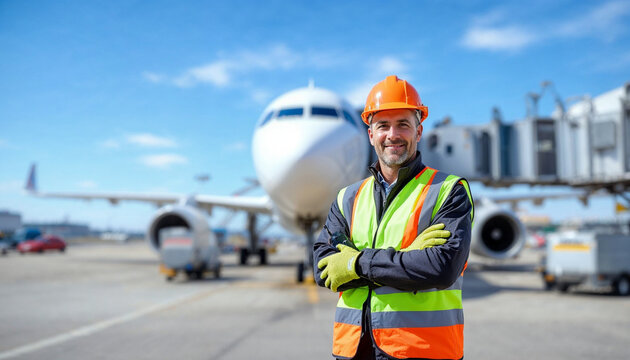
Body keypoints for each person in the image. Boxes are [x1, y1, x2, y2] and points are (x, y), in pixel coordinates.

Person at [313, 75, 473, 360]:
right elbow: (323, 269)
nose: (393, 135)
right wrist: (406, 258)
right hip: (353, 350)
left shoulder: (448, 191)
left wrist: (355, 262)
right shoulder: (347, 198)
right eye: (383, 125)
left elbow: (441, 269)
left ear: (419, 130)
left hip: (422, 351)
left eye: (403, 124)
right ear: (370, 133)